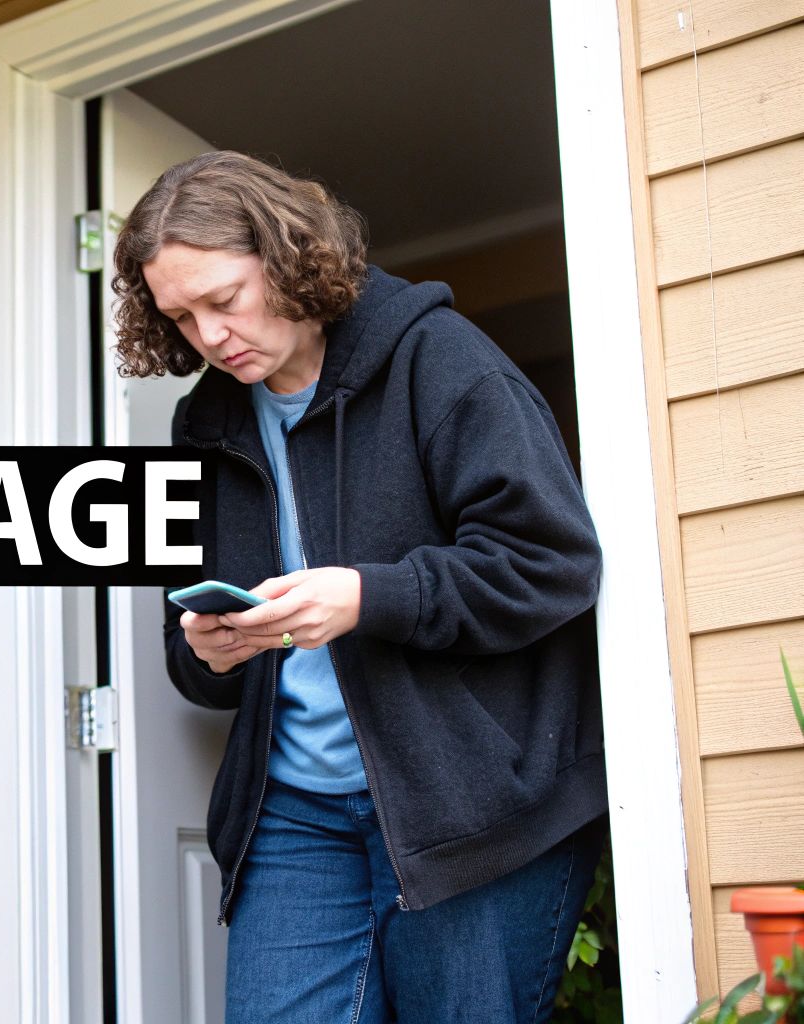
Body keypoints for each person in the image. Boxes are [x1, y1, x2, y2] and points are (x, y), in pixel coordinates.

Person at [112, 150, 608, 1023]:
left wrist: (368, 596)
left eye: (225, 300)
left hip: (471, 806)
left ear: (287, 255)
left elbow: (551, 561)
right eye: (181, 318)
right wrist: (209, 652)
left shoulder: (440, 361)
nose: (210, 337)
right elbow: (185, 655)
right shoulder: (204, 426)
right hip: (295, 813)